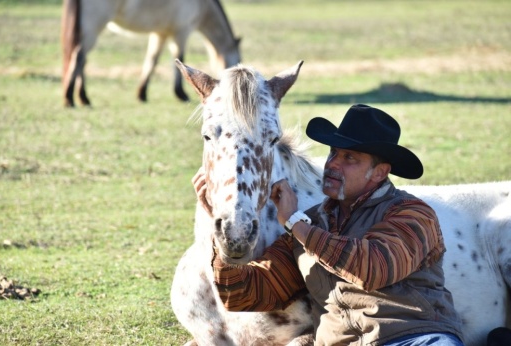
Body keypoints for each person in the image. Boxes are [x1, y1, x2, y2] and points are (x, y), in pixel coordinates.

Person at [193, 104, 464, 345]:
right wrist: (218, 222)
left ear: (379, 172)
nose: (333, 164)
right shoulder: (311, 223)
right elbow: (244, 295)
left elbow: (372, 268)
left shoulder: (412, 214)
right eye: (333, 153)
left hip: (415, 338)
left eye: (350, 158)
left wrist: (295, 222)